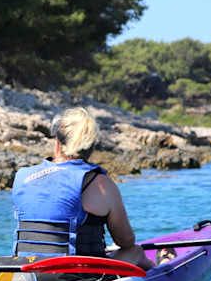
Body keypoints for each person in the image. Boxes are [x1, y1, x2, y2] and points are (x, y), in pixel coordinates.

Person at [10, 106, 148, 268]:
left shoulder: (22, 176)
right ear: (91, 147)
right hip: (72, 277)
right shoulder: (100, 183)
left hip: (26, 273)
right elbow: (125, 241)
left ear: (57, 143)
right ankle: (161, 272)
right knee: (135, 251)